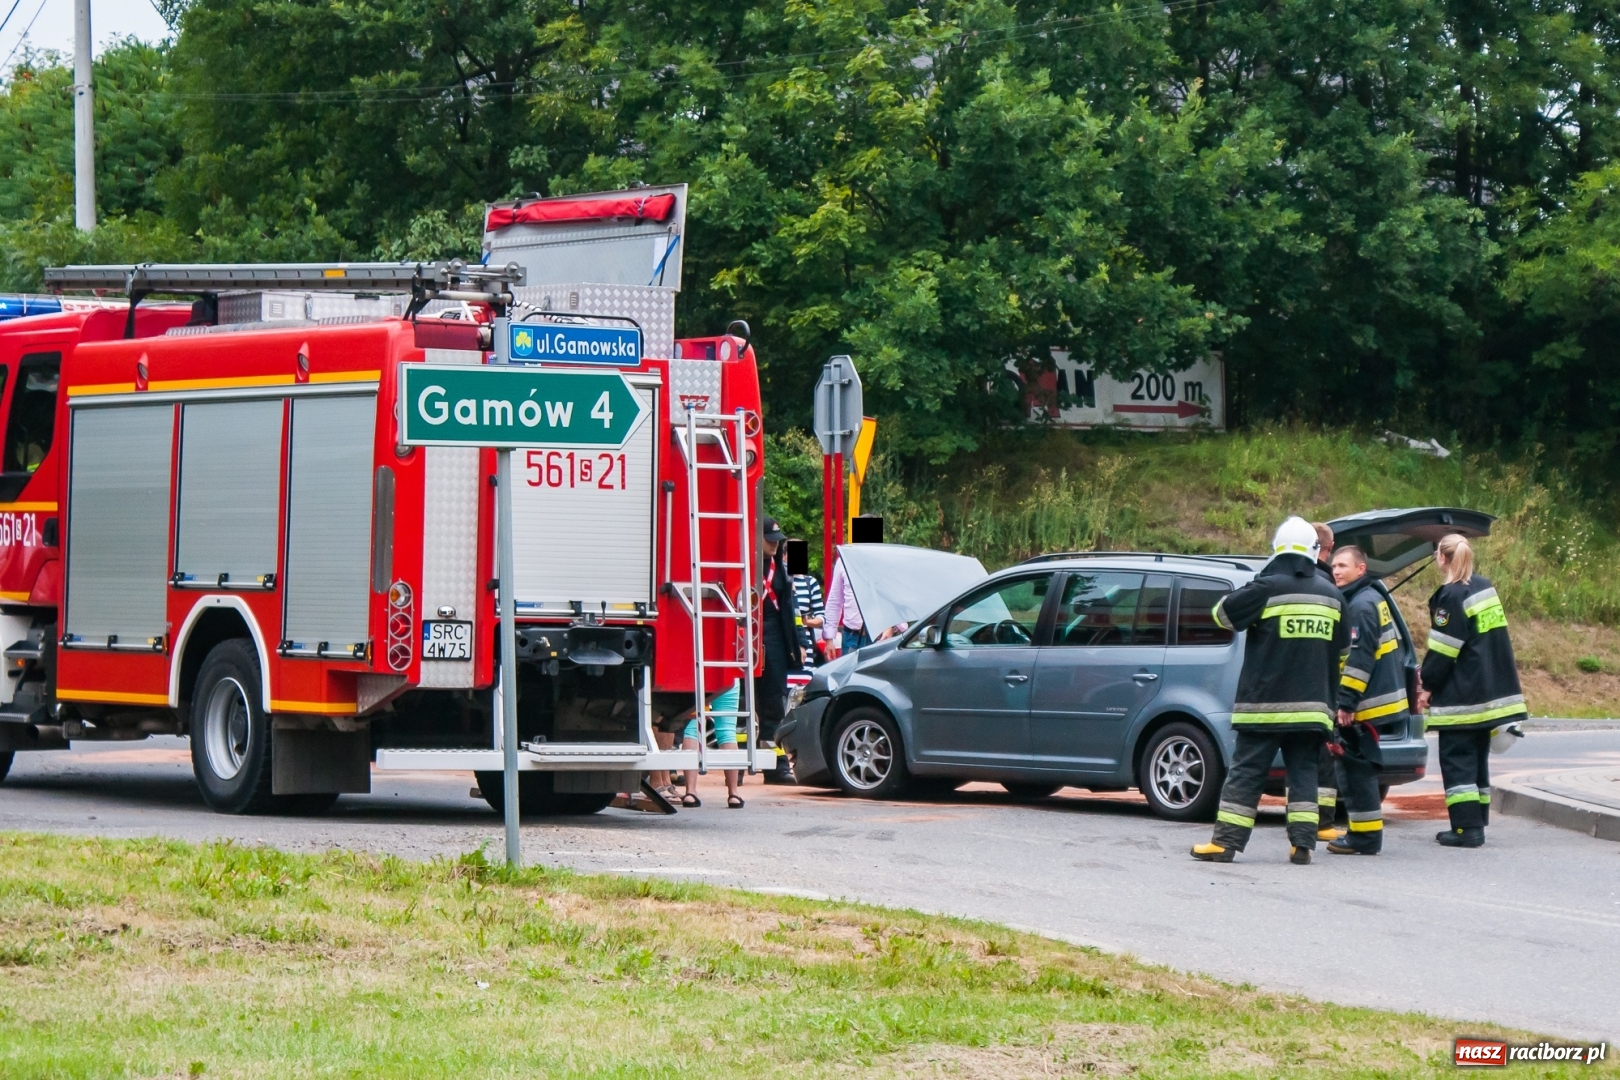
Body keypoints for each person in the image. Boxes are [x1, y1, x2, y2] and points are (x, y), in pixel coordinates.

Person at [1192, 516, 1349, 865]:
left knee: (1247, 772)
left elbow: (1222, 615)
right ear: (1314, 551)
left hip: (1264, 705)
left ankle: (1225, 843)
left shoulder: (1266, 588)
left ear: (1277, 548)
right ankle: (1303, 844)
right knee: (1304, 772)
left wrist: (1256, 584)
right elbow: (1341, 653)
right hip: (1312, 707)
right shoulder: (1333, 596)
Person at [1418, 534, 1527, 848]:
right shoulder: (1484, 586)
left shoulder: (1450, 597)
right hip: (1490, 690)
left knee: (1457, 760)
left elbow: (1443, 651)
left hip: (1463, 696)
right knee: (1478, 760)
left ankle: (1466, 830)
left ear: (1441, 558)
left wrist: (1427, 686)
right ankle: (1476, 822)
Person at [1323, 544, 1400, 855]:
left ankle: (1364, 838)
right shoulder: (1370, 599)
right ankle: (1362, 834)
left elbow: (1359, 659)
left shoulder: (1360, 606)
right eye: (1334, 566)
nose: (1336, 571)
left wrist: (1346, 703)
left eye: (1343, 565)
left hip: (1364, 703)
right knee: (1358, 768)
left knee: (1356, 769)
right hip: (1372, 700)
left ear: (1360, 569)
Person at [757, 518, 799, 783]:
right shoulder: (747, 564)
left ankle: (777, 766)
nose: (774, 544)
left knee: (775, 703)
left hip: (774, 637)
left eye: (777, 540)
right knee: (740, 702)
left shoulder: (780, 568)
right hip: (747, 631)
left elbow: (789, 610)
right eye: (769, 540)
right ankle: (736, 764)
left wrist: (798, 645)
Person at [1311, 522, 1342, 836]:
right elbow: (1344, 646)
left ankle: (1305, 824)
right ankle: (1321, 823)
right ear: (1329, 549)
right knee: (1319, 759)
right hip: (1323, 690)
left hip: (1276, 691)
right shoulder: (1329, 587)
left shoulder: (1274, 579)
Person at [681, 680, 744, 809]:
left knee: (692, 729)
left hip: (697, 673)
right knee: (727, 731)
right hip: (728, 673)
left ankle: (690, 792)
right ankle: (733, 794)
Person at [822, 555, 867, 659]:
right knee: (849, 674)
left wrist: (892, 627)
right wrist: (829, 639)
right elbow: (835, 600)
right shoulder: (844, 561)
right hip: (852, 635)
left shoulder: (881, 559)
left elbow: (893, 596)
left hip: (880, 637)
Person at [792, 559, 825, 667]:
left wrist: (806, 622)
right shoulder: (780, 580)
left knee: (804, 678)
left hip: (806, 639)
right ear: (784, 556)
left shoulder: (810, 582)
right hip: (784, 640)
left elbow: (821, 616)